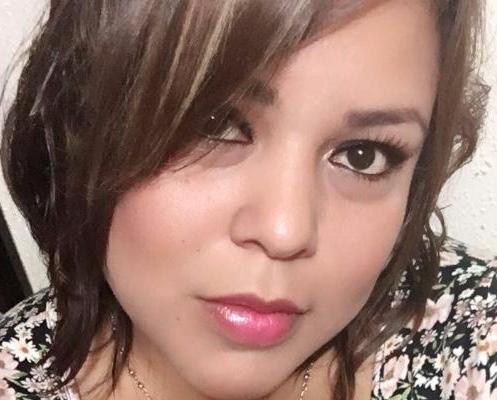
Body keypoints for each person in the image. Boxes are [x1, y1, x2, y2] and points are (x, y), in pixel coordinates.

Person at [0, 0, 495, 399]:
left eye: (363, 155)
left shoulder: (471, 336)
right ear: (79, 124)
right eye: (213, 125)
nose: (286, 231)